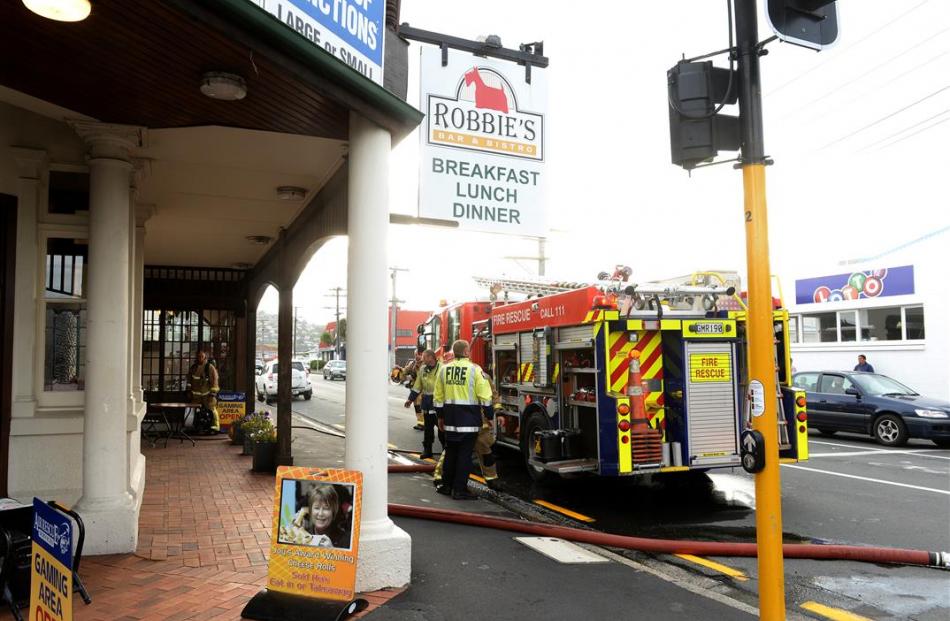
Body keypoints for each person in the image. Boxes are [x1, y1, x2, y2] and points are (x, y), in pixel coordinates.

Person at [433, 339, 493, 500]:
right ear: (466, 352)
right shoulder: (475, 370)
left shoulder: (444, 370)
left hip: (450, 420)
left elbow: (438, 397)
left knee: (451, 453)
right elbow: (485, 395)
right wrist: (490, 416)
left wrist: (440, 417)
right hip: (469, 421)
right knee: (464, 455)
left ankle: (446, 486)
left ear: (453, 352)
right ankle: (459, 489)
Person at [281, 483, 350, 548]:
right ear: (310, 511)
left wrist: (333, 551)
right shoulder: (301, 535)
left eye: (326, 508)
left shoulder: (346, 540)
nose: (320, 513)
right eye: (316, 508)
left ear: (334, 511)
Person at [405, 349, 442, 459]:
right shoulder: (422, 369)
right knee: (428, 430)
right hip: (427, 404)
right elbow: (417, 386)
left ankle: (446, 452)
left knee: (442, 431)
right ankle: (427, 451)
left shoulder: (442, 368)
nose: (422, 359)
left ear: (431, 357)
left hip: (439, 405)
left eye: (424, 357)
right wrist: (410, 399)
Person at [188, 350, 220, 433]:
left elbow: (214, 381)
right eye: (198, 356)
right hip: (196, 396)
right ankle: (197, 426)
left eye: (202, 356)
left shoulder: (209, 367)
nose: (200, 358)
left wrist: (213, 393)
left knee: (211, 409)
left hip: (208, 395)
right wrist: (188, 391)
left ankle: (215, 427)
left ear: (205, 357)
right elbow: (189, 381)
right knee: (195, 412)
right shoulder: (193, 368)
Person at [401, 352, 425, 431]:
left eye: (418, 354)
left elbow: (421, 377)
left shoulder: (425, 364)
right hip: (415, 388)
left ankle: (424, 424)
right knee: (417, 407)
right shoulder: (413, 364)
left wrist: (412, 376)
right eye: (415, 355)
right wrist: (400, 370)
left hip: (423, 389)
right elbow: (405, 371)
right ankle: (420, 423)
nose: (416, 356)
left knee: (421, 406)